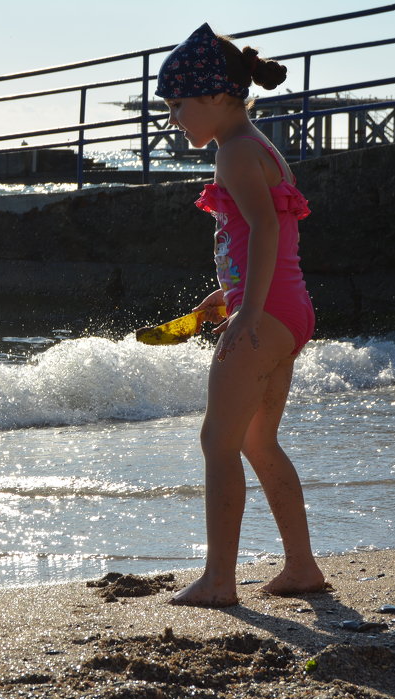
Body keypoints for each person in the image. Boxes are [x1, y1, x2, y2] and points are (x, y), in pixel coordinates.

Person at [155, 23, 325, 607]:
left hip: (265, 315)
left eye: (178, 105)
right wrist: (225, 298)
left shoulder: (235, 152)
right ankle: (301, 568)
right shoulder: (258, 145)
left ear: (218, 96)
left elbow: (268, 229)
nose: (174, 118)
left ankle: (219, 580)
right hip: (287, 310)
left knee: (217, 444)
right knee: (258, 443)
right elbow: (255, 242)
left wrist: (247, 311)